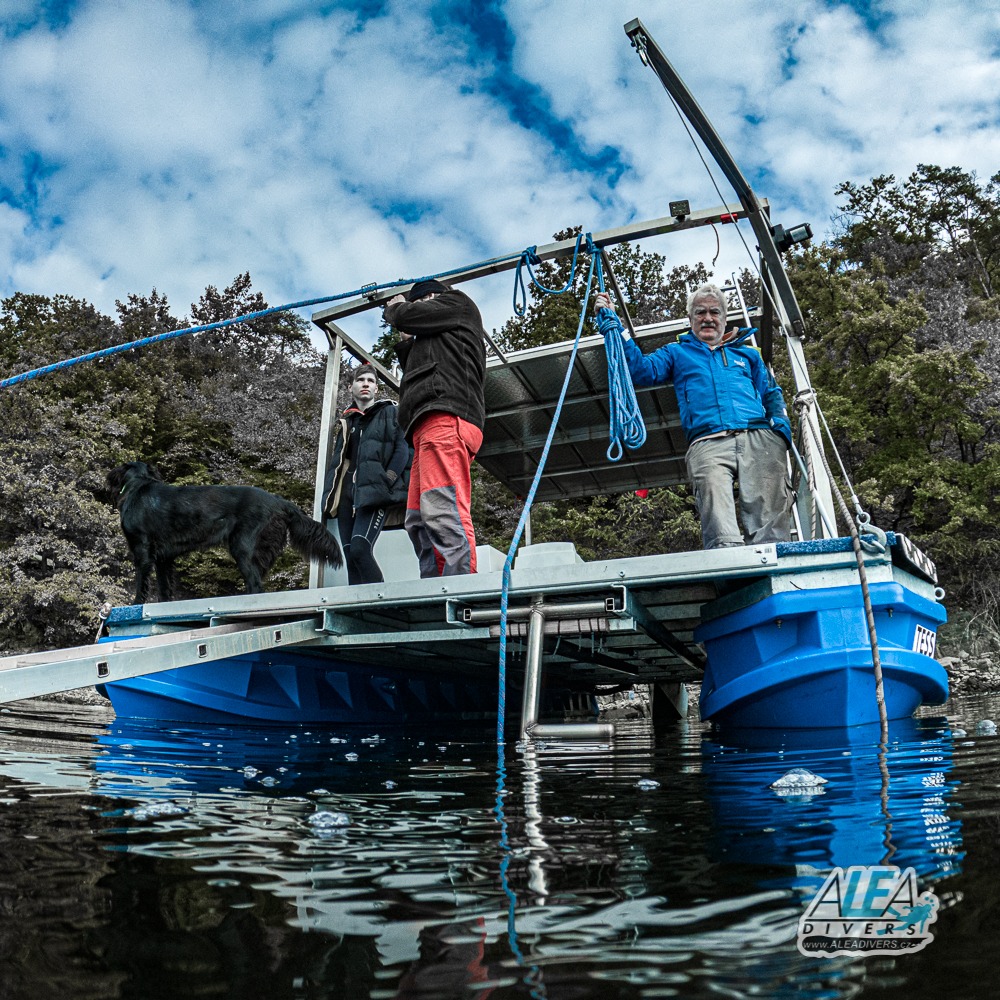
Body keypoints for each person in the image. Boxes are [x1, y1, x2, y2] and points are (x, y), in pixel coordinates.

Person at [595, 282, 793, 549]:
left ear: (724, 318)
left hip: (757, 436)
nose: (708, 318)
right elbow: (641, 370)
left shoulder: (747, 354)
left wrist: (780, 431)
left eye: (715, 312)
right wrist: (616, 328)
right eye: (700, 312)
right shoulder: (677, 352)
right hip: (707, 440)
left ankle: (774, 570)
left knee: (769, 520)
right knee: (717, 521)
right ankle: (730, 571)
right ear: (690, 319)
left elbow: (770, 392)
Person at [382, 279, 486, 577]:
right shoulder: (442, 333)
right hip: (426, 426)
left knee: (443, 510)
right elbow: (420, 368)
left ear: (429, 298)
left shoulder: (458, 303)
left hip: (445, 417)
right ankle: (434, 587)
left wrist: (397, 309)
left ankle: (461, 590)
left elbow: (406, 315)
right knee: (418, 517)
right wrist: (405, 342)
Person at [323, 364, 410, 584]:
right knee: (350, 557)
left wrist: (387, 478)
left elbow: (401, 449)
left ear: (376, 389)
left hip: (374, 492)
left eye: (370, 381)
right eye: (361, 380)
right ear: (351, 387)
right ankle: (357, 613)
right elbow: (338, 461)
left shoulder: (390, 411)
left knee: (361, 549)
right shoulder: (347, 421)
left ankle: (380, 605)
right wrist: (330, 496)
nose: (365, 384)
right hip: (347, 494)